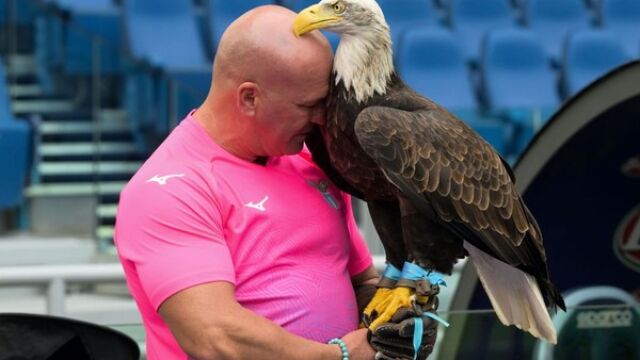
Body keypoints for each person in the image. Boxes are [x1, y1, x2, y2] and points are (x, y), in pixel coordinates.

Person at [115, 5, 380, 359]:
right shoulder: (171, 188)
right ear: (249, 98)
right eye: (309, 106)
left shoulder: (312, 164)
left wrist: (391, 319)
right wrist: (339, 357)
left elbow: (361, 281)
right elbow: (215, 337)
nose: (321, 119)